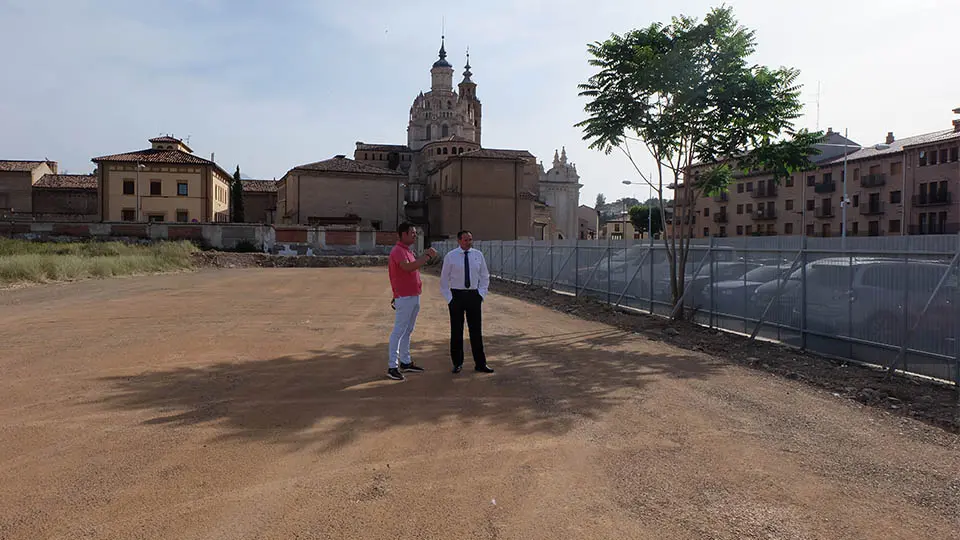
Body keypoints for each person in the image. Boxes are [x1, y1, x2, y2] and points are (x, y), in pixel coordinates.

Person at [387, 222, 437, 381]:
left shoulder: (407, 251)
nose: (415, 235)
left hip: (413, 295)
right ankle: (392, 366)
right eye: (412, 233)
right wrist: (426, 256)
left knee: (408, 330)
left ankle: (405, 361)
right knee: (399, 331)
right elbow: (408, 268)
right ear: (402, 235)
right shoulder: (398, 251)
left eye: (415, 233)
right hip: (405, 296)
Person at [439, 230, 494, 374]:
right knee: (456, 331)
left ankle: (480, 363)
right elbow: (444, 280)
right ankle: (457, 363)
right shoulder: (451, 256)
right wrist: (449, 299)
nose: (468, 242)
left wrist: (481, 294)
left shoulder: (478, 255)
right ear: (459, 241)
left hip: (473, 296)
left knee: (476, 331)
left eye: (470, 239)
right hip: (456, 295)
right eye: (465, 240)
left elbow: (484, 276)